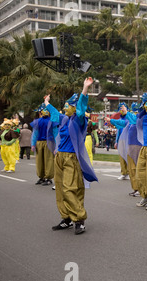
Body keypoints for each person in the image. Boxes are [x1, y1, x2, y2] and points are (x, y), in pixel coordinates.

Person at [46, 77, 98, 235]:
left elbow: (81, 107)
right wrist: (47, 103)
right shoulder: (64, 119)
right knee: (60, 189)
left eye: (67, 106)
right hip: (60, 157)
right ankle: (67, 217)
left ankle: (79, 219)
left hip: (71, 158)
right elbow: (55, 113)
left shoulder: (79, 120)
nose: (64, 108)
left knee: (70, 189)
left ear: (74, 109)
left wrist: (85, 88)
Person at [106, 102, 141, 196]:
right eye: (133, 111)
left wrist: (127, 113)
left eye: (136, 111)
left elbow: (135, 120)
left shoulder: (140, 120)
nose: (134, 113)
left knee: (138, 169)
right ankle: (136, 188)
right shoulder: (128, 122)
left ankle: (141, 188)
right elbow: (121, 122)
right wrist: (111, 120)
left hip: (139, 147)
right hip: (130, 147)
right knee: (131, 169)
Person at [30, 102, 56, 186]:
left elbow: (56, 133)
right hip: (39, 142)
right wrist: (33, 144)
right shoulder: (37, 121)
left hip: (49, 142)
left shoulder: (52, 121)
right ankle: (41, 177)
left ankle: (48, 178)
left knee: (48, 160)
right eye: (43, 110)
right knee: (39, 160)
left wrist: (57, 146)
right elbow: (35, 134)